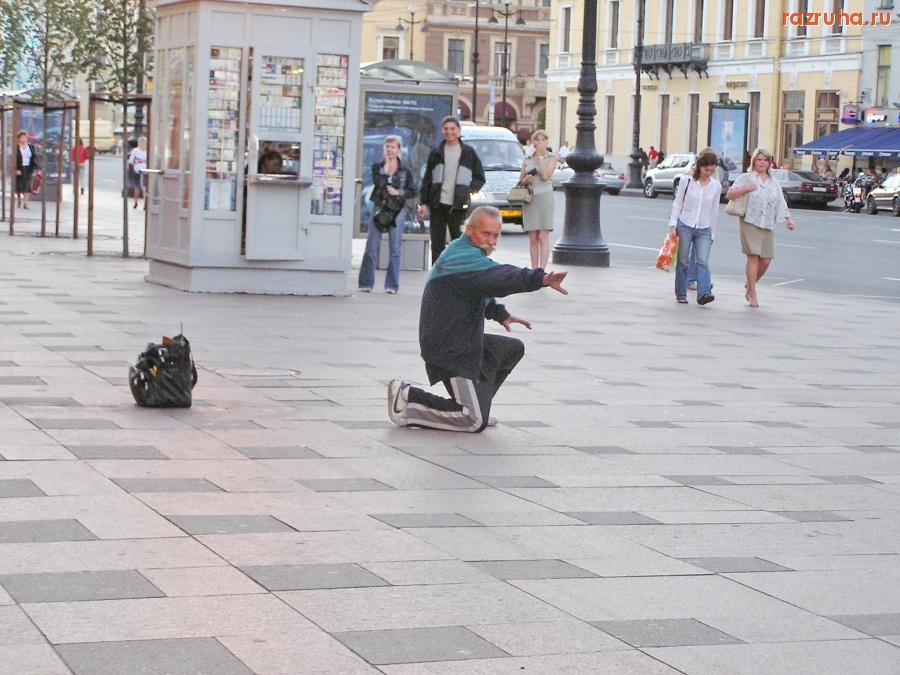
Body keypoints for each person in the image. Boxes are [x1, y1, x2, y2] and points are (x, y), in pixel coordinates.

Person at [387, 206, 568, 432]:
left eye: (496, 235)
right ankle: (407, 399)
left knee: (511, 348)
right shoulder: (461, 256)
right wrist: (539, 279)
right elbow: (499, 277)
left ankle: (477, 405)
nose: (492, 241)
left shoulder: (466, 254)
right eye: (486, 234)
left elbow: (476, 287)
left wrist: (500, 314)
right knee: (472, 421)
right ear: (470, 230)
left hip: (462, 341)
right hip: (449, 348)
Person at [727, 148, 795, 308]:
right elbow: (730, 194)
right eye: (759, 159)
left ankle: (749, 285)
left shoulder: (773, 181)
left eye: (765, 160)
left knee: (765, 260)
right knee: (753, 256)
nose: (762, 162)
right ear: (754, 162)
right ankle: (752, 293)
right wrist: (745, 189)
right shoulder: (747, 177)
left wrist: (788, 219)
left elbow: (780, 200)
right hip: (750, 221)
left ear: (769, 163)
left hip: (767, 223)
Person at [417, 116, 486, 264]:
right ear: (442, 131)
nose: (449, 132)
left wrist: (468, 191)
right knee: (437, 244)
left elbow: (480, 177)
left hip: (458, 205)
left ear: (459, 130)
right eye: (446, 129)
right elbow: (427, 179)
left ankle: (457, 271)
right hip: (437, 204)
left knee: (458, 241)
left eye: (452, 129)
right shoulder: (436, 153)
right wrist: (423, 202)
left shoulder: (468, 152)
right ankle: (437, 274)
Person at [359, 135, 416, 294]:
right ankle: (366, 282)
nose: (389, 150)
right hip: (380, 208)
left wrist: (398, 191)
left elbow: (412, 191)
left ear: (398, 149)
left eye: (393, 147)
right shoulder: (377, 167)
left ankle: (391, 285)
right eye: (387, 147)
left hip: (396, 210)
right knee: (371, 247)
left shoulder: (405, 170)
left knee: (395, 249)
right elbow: (380, 183)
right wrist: (387, 166)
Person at [668, 150, 720, 306]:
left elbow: (714, 211)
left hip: (704, 227)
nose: (709, 173)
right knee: (683, 261)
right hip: (685, 224)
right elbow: (678, 203)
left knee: (703, 261)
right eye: (706, 170)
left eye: (712, 170)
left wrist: (713, 233)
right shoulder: (687, 181)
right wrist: (673, 224)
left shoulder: (715, 186)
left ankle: (704, 293)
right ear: (700, 167)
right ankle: (681, 294)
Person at [518, 130, 558, 270]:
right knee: (533, 236)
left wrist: (540, 157)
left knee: (543, 235)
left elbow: (546, 175)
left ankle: (541, 269)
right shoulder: (527, 159)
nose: (540, 142)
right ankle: (534, 269)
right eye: (537, 140)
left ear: (547, 141)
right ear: (533, 142)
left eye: (543, 139)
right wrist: (525, 180)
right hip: (530, 198)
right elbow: (520, 181)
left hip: (545, 197)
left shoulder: (552, 157)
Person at [14, 131, 39, 210]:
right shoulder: (17, 147)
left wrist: (37, 167)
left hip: (29, 168)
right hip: (20, 167)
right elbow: (14, 159)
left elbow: (34, 157)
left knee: (27, 185)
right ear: (19, 139)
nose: (24, 139)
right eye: (22, 137)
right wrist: (16, 169)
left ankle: (25, 202)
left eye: (25, 137)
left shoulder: (31, 146)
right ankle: (19, 200)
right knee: (19, 184)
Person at [126, 137, 148, 209]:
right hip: (146, 170)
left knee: (136, 186)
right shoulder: (148, 151)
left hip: (137, 169)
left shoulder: (135, 150)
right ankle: (145, 203)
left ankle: (136, 202)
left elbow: (130, 161)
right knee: (144, 187)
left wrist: (135, 164)